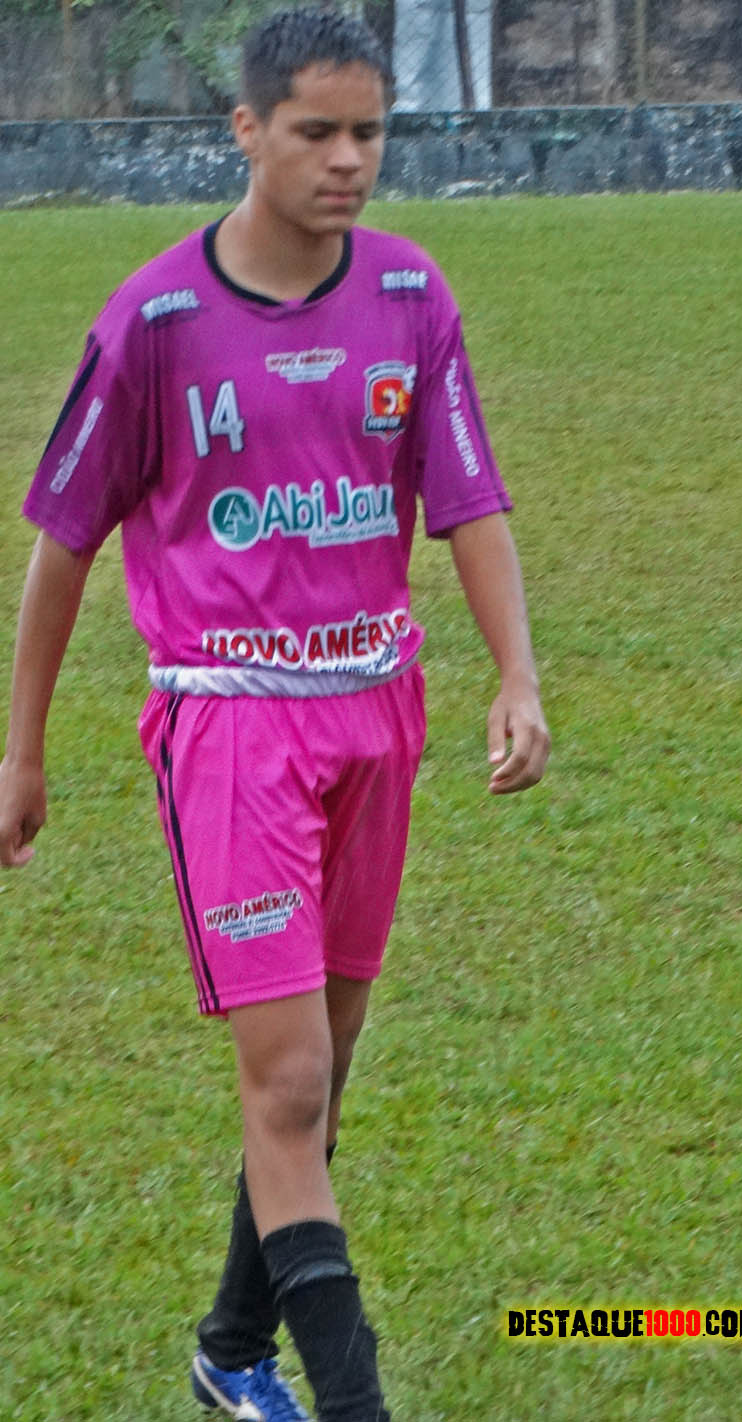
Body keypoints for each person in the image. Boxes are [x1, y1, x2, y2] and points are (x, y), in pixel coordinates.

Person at [0, 8, 550, 1420]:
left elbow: (470, 499)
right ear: (245, 130)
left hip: (380, 714)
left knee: (323, 1070)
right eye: (316, 132)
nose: (348, 159)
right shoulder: (155, 323)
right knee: (291, 1081)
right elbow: (62, 542)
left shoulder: (413, 296)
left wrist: (516, 674)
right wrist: (22, 751)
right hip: (234, 732)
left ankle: (231, 1351)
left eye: (369, 132)